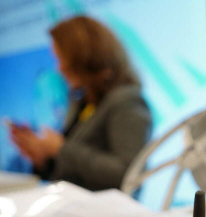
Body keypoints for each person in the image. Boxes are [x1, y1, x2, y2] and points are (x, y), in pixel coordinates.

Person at [9, 16, 151, 191]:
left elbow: (128, 174)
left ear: (83, 57)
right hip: (71, 203)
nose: (59, 68)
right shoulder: (83, 101)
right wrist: (42, 159)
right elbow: (69, 173)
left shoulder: (126, 100)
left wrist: (61, 148)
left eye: (62, 59)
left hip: (104, 207)